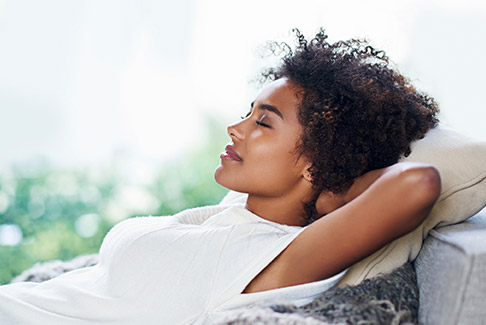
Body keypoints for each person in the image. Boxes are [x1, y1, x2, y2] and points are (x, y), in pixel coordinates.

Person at [0, 29, 440, 324]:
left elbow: (416, 185)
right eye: (246, 113)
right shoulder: (238, 212)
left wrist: (331, 190)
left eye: (263, 123)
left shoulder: (279, 258)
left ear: (316, 163)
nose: (236, 128)